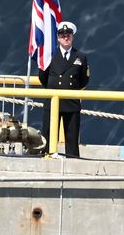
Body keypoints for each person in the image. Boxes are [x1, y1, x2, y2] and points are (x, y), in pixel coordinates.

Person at [37, 20, 89, 158]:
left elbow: (84, 79)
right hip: (52, 102)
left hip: (71, 102)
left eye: (68, 35)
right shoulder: (50, 56)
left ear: (73, 36)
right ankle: (47, 159)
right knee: (48, 137)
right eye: (62, 35)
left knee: (72, 139)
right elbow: (43, 77)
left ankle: (73, 164)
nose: (65, 37)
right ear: (58, 37)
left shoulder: (81, 57)